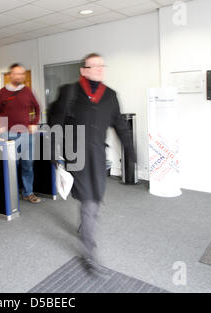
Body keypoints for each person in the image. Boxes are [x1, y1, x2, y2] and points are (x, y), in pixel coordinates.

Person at [48, 53, 136, 265]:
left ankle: (84, 224)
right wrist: (53, 152)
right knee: (90, 200)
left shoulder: (110, 96)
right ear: (84, 70)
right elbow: (55, 124)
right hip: (75, 154)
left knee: (95, 194)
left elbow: (121, 127)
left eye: (101, 66)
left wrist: (130, 151)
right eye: (93, 66)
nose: (98, 69)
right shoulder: (70, 92)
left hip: (97, 154)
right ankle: (89, 251)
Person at [0, 63, 42, 204]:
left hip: (26, 134)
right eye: (16, 73)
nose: (19, 76)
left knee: (27, 164)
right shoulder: (3, 92)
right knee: (12, 165)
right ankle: (12, 193)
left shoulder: (27, 91)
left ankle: (28, 193)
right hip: (9, 134)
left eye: (22, 74)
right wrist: (2, 125)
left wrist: (33, 124)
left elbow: (37, 107)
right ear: (10, 75)